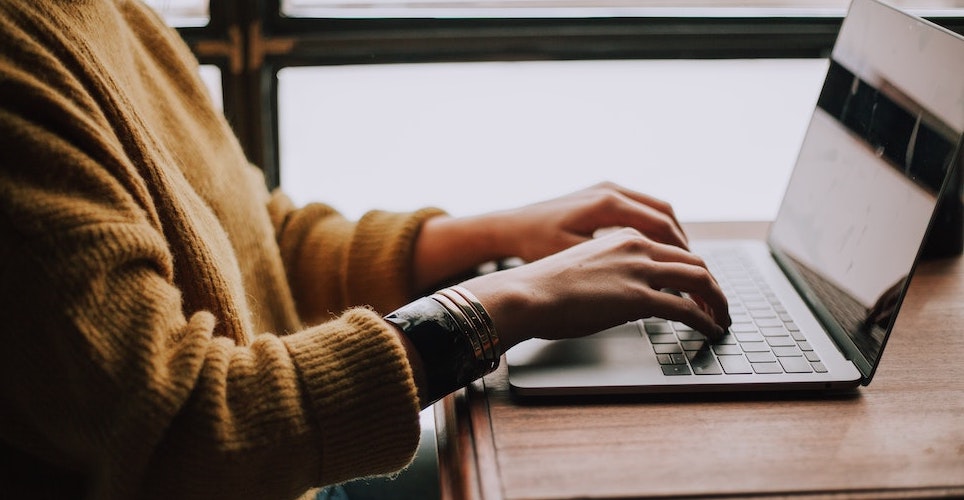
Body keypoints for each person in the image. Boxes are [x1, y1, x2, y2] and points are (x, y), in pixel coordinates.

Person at [0, 1, 730, 499]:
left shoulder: (106, 13)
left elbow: (257, 244)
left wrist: (496, 234)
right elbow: (188, 433)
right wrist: (505, 303)